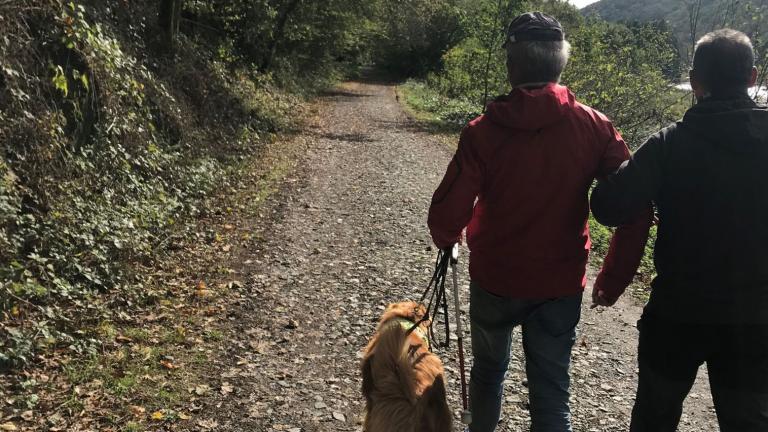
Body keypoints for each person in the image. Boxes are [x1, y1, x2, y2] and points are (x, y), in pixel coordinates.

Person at [427, 12, 651, 432]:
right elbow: (636, 205)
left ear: (512, 65)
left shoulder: (482, 131)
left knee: (489, 373)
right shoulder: (596, 126)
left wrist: (447, 237)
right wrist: (614, 277)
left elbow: (445, 217)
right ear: (560, 63)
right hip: (559, 284)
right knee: (551, 391)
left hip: (496, 278)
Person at [591, 28, 768, 432]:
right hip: (755, 320)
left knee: (655, 416)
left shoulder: (670, 143)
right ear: (753, 76)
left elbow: (606, 207)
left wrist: (613, 170)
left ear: (695, 80)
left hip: (677, 313)